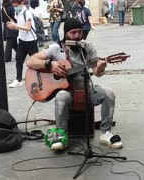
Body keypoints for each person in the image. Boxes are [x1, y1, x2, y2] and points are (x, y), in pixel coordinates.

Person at [26, 18, 123, 150]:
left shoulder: (88, 47)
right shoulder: (56, 49)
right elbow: (31, 61)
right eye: (73, 32)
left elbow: (97, 72)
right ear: (66, 33)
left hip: (87, 89)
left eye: (79, 32)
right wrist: (50, 64)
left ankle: (106, 132)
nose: (77, 36)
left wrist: (100, 67)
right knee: (61, 96)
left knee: (109, 94)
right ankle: (61, 136)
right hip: (68, 92)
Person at [7, 0, 38, 88]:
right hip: (22, 40)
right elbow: (20, 26)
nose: (15, 7)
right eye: (13, 5)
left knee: (36, 62)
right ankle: (18, 80)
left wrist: (15, 26)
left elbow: (28, 28)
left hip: (31, 41)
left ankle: (41, 78)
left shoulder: (27, 13)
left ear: (21, 4)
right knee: (19, 60)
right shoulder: (18, 13)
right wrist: (13, 26)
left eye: (16, 5)